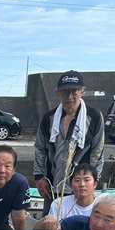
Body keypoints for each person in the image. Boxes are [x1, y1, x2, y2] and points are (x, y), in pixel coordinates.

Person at [34, 70, 105, 214]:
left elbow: (98, 151)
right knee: (50, 224)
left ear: (82, 92)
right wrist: (39, 178)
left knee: (81, 225)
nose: (69, 96)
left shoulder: (94, 117)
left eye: (74, 92)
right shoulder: (49, 118)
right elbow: (40, 149)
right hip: (53, 186)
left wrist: (91, 181)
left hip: (81, 188)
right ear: (57, 93)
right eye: (65, 92)